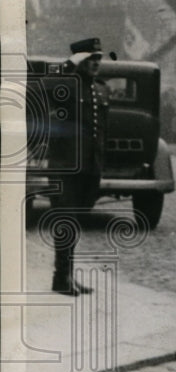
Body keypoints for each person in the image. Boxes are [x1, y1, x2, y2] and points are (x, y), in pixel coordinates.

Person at [47, 37, 110, 296]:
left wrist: (99, 163)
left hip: (89, 167)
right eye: (90, 59)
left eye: (98, 59)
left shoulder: (100, 89)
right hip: (66, 166)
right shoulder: (67, 84)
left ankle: (68, 276)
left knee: (76, 222)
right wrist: (67, 65)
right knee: (66, 221)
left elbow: (102, 131)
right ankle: (60, 278)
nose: (96, 63)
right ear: (80, 61)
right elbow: (46, 88)